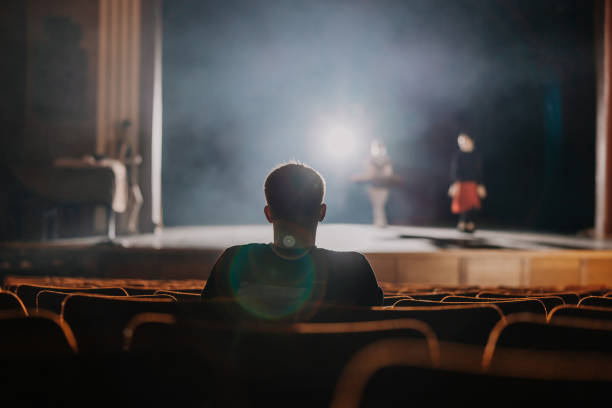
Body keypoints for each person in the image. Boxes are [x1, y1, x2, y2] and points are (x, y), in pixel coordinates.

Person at [201, 162, 383, 319]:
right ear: (322, 212)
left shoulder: (233, 261)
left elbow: (206, 321)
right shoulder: (355, 270)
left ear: (268, 213)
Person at [352, 140, 398, 227]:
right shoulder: (370, 159)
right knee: (377, 204)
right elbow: (369, 173)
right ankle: (379, 222)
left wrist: (381, 175)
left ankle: (381, 222)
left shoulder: (387, 160)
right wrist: (361, 177)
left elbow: (388, 173)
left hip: (383, 186)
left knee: (380, 204)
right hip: (374, 186)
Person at [448, 132, 487, 233]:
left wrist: (480, 185)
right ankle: (462, 222)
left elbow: (479, 171)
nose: (462, 144)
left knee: (472, 204)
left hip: (472, 183)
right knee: (462, 204)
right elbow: (454, 171)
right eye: (460, 142)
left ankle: (470, 222)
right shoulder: (458, 156)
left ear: (471, 141)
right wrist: (454, 185)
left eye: (465, 141)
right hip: (461, 183)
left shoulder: (476, 155)